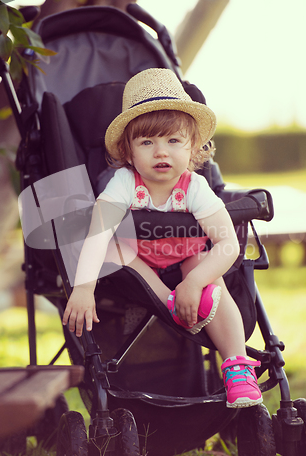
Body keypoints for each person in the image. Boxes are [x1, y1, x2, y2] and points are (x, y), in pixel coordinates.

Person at [63, 68, 262, 408]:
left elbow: (227, 242)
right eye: (147, 142)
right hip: (137, 263)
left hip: (187, 259)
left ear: (193, 146)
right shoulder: (124, 183)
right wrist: (83, 287)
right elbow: (98, 233)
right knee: (113, 248)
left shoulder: (194, 187)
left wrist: (196, 282)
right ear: (128, 151)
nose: (161, 153)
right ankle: (168, 302)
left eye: (173, 141)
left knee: (208, 269)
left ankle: (237, 365)